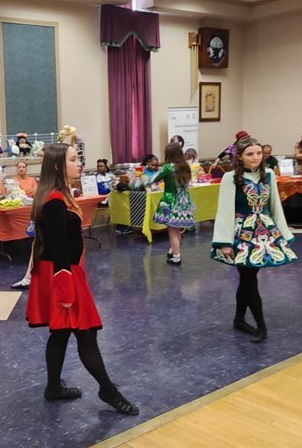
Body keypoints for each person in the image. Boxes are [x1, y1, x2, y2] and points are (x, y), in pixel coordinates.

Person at [26, 143, 139, 415]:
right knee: (85, 334)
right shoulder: (55, 201)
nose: (80, 163)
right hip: (61, 274)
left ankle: (54, 387)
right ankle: (107, 390)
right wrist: (66, 288)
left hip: (62, 271)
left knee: (61, 332)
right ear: (57, 165)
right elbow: (58, 248)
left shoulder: (57, 195)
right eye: (74, 159)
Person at [211, 135, 296, 343]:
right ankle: (261, 325)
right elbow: (224, 210)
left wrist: (284, 234)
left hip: (265, 233)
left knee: (247, 279)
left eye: (258, 153)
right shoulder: (230, 177)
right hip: (242, 234)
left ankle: (239, 319)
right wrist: (224, 242)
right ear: (240, 157)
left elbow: (275, 206)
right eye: (250, 154)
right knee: (249, 280)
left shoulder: (269, 174)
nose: (256, 157)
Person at [149, 142, 195, 264]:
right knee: (177, 228)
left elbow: (154, 179)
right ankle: (173, 250)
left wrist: (137, 182)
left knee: (172, 231)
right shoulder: (185, 166)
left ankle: (176, 256)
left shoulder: (167, 167)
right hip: (184, 201)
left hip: (170, 201)